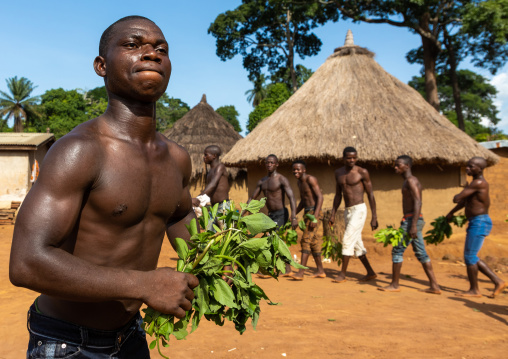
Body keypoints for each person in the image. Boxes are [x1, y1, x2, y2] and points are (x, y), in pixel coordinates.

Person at [9, 16, 199, 358]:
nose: (151, 53)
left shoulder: (177, 159)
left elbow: (179, 217)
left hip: (130, 336)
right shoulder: (80, 150)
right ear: (101, 66)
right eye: (132, 45)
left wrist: (221, 255)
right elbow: (26, 262)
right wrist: (143, 284)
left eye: (161, 49)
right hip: (68, 343)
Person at [379, 155, 441, 294]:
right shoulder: (407, 181)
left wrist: (412, 225)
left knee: (397, 250)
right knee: (421, 253)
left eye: (398, 165)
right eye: (395, 165)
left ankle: (395, 285)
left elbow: (418, 202)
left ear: (407, 166)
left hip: (412, 221)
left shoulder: (411, 181)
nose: (395, 167)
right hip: (412, 220)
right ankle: (435, 286)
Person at [446, 157, 506, 298]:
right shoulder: (475, 184)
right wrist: (451, 213)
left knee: (470, 256)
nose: (467, 168)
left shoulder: (478, 183)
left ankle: (476, 289)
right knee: (471, 256)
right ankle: (497, 281)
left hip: (479, 222)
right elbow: (464, 202)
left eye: (471, 167)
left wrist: (463, 189)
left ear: (479, 169)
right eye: (467, 166)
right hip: (476, 222)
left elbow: (457, 198)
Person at [329, 147, 377, 283]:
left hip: (359, 210)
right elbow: (338, 195)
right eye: (349, 158)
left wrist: (374, 217)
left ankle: (342, 274)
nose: (351, 160)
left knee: (347, 240)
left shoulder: (362, 172)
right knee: (356, 243)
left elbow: (371, 194)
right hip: (348, 211)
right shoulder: (338, 173)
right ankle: (370, 272)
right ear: (343, 158)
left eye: (354, 158)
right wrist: (332, 214)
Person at [248, 154, 298, 277]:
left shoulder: (281, 179)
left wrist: (294, 216)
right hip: (270, 215)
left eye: (272, 163)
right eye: (267, 163)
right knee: (274, 239)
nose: (269, 165)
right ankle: (286, 268)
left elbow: (291, 197)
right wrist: (245, 211)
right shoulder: (262, 181)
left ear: (276, 164)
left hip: (281, 214)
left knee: (272, 237)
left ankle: (270, 268)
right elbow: (252, 197)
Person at [290, 160, 325, 280]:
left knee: (305, 240)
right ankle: (320, 270)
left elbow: (320, 197)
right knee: (313, 242)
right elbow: (303, 201)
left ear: (304, 170)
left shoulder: (311, 179)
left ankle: (301, 272)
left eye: (298, 169)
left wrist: (315, 217)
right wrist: (294, 213)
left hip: (315, 212)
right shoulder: (299, 183)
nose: (296, 171)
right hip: (307, 212)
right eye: (294, 169)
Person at [192, 145, 230, 229]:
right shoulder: (210, 172)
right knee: (210, 233)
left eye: (206, 155)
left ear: (214, 156)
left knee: (225, 234)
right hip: (213, 208)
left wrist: (199, 198)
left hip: (223, 207)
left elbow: (213, 184)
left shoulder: (220, 167)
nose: (204, 157)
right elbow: (210, 189)